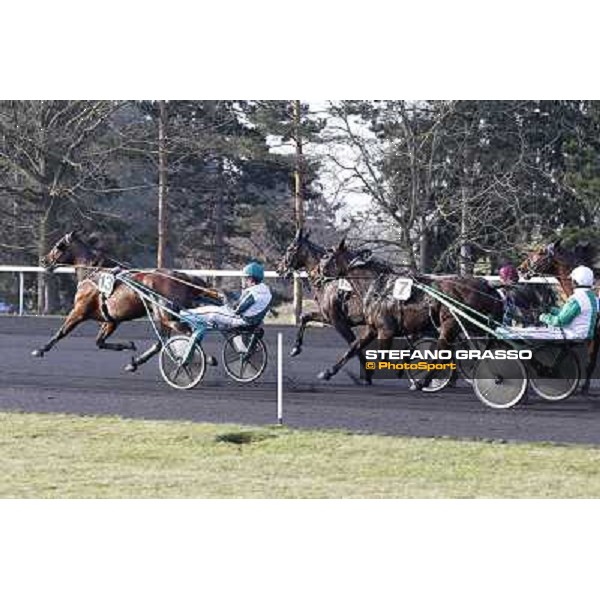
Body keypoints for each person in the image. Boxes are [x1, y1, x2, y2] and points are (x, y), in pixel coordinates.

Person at [499, 265, 597, 340]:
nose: (571, 282)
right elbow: (567, 314)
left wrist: (541, 316)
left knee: (519, 333)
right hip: (580, 334)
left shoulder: (577, 299)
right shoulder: (591, 297)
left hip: (571, 335)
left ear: (575, 281)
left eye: (572, 280)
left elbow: (558, 322)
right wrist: (550, 309)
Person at [186, 262, 272, 330]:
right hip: (252, 321)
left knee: (212, 311)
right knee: (216, 307)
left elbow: (236, 310)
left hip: (241, 320)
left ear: (251, 279)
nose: (243, 281)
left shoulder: (252, 292)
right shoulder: (266, 291)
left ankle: (183, 315)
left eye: (245, 279)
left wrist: (227, 302)